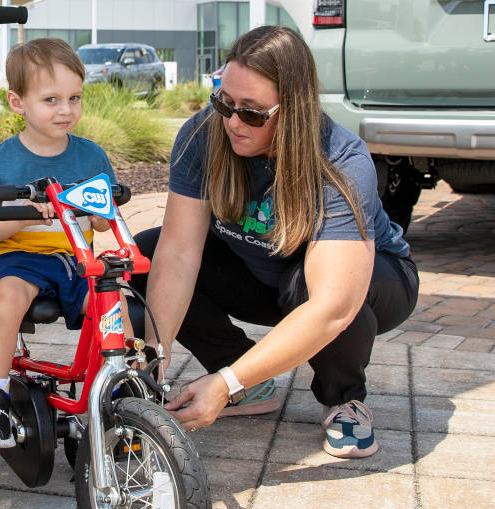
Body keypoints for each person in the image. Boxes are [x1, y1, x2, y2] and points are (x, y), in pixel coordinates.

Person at [130, 26, 418, 458]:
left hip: (374, 284)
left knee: (309, 289)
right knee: (147, 252)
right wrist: (155, 359)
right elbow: (178, 253)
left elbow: (333, 306)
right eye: (223, 101)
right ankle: (252, 382)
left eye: (251, 112)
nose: (231, 121)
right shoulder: (203, 136)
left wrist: (224, 386)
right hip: (261, 270)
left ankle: (345, 400)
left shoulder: (339, 160)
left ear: (294, 110)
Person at [0, 38, 132, 448]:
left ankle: (121, 386)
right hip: (20, 258)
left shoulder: (91, 157)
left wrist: (99, 217)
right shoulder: (1, 161)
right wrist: (22, 210)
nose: (66, 110)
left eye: (74, 98)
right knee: (8, 298)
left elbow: (104, 218)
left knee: (115, 304)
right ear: (17, 102)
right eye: (52, 99)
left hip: (75, 259)